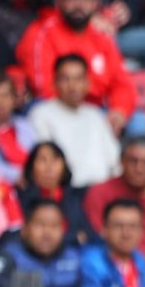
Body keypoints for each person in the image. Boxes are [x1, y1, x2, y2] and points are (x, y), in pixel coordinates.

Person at [15, 0, 138, 135]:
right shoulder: (42, 32)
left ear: (95, 3)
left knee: (138, 121)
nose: (79, 4)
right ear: (59, 1)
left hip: (97, 110)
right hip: (57, 106)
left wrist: (119, 110)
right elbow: (43, 88)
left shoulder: (102, 35)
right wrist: (84, 116)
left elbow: (122, 82)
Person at [83, 137, 145, 277]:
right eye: (133, 161)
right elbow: (98, 237)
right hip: (108, 276)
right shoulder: (99, 193)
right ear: (121, 161)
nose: (139, 169)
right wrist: (138, 261)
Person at [28, 54, 121, 188]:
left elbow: (115, 160)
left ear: (87, 83)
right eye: (66, 79)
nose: (73, 86)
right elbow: (45, 161)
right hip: (66, 190)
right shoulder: (41, 114)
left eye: (78, 79)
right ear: (55, 83)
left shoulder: (95, 115)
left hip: (101, 190)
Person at [15, 142, 90, 245]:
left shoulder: (79, 197)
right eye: (42, 160)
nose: (49, 167)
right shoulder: (19, 198)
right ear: (31, 168)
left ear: (64, 166)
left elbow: (87, 234)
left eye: (55, 160)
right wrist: (74, 238)